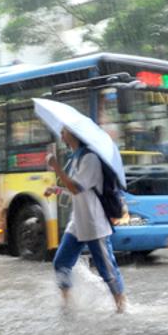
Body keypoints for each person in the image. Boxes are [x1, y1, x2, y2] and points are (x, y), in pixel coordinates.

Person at [45, 127, 127, 313]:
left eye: (64, 131)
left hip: (94, 224)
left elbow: (77, 188)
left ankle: (122, 307)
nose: (61, 135)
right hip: (77, 223)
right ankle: (67, 304)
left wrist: (56, 167)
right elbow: (74, 190)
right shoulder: (76, 158)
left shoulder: (90, 159)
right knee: (61, 262)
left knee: (108, 271)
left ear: (74, 134)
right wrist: (56, 190)